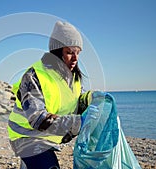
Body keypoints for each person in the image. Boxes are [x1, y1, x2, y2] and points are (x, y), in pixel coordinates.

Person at [7, 21, 93, 169]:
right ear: (57, 51)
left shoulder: (73, 77)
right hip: (26, 136)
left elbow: (78, 101)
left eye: (78, 53)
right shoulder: (34, 76)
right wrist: (80, 122)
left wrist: (95, 100)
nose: (75, 58)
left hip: (48, 137)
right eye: (70, 52)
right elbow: (38, 119)